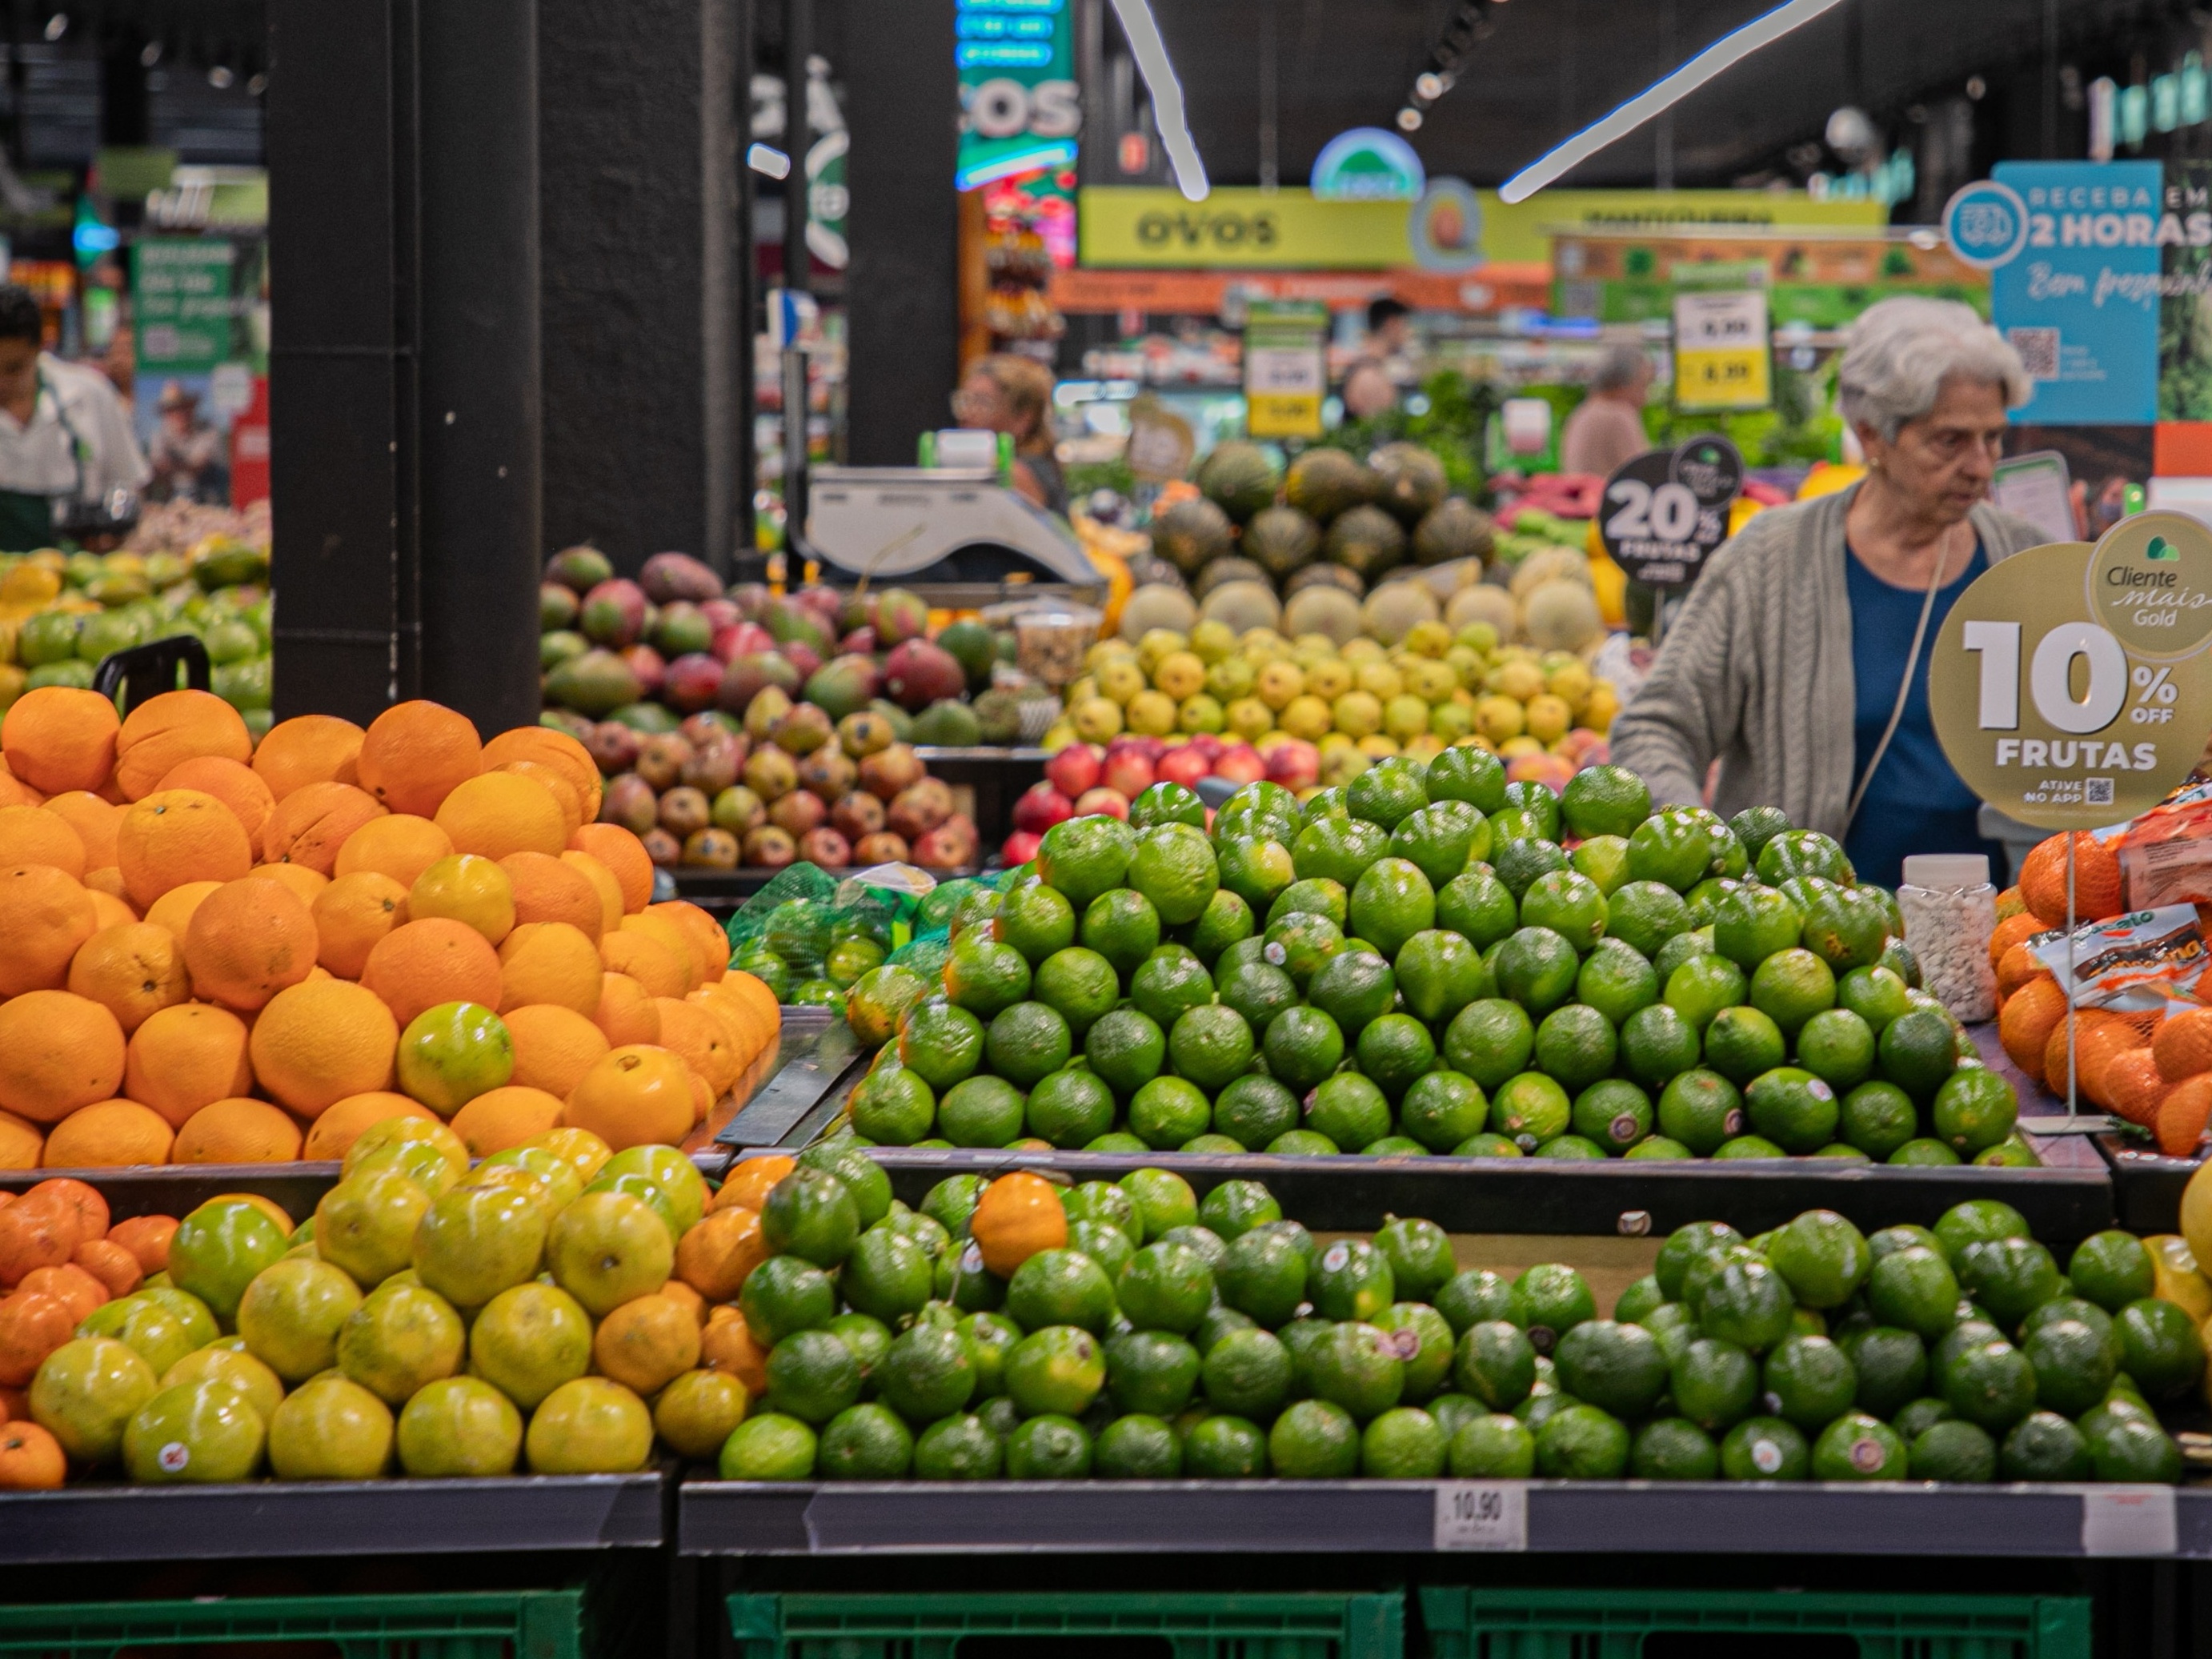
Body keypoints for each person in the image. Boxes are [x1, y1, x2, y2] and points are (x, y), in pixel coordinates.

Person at [1609, 296, 2049, 888]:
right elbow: (1656, 725)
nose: (1980, 466)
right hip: (1804, 955)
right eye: (1950, 441)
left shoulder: (2029, 564)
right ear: (1873, 435)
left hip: (2000, 944)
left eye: (1993, 438)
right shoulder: (1770, 559)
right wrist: (1691, 845)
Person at [0, 284, 146, 550]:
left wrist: (113, 528)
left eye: (13, 369)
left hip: (79, 580)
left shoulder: (89, 395)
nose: (1, 382)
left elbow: (127, 483)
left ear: (39, 348)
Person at [951, 353, 1067, 516]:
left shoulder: (1013, 475)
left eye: (983, 403)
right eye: (965, 401)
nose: (968, 413)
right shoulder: (1034, 464)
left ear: (1023, 418)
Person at [1559, 344, 1654, 477]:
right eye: (1643, 385)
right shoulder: (1618, 415)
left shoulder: (1581, 413)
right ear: (1622, 384)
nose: (1645, 398)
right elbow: (1646, 475)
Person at [147, 380, 230, 503]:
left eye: (183, 407)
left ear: (192, 408)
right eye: (172, 409)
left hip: (209, 495)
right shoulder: (159, 436)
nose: (179, 413)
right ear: (165, 414)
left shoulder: (209, 431)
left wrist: (170, 466)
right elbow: (158, 467)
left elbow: (199, 467)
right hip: (174, 495)